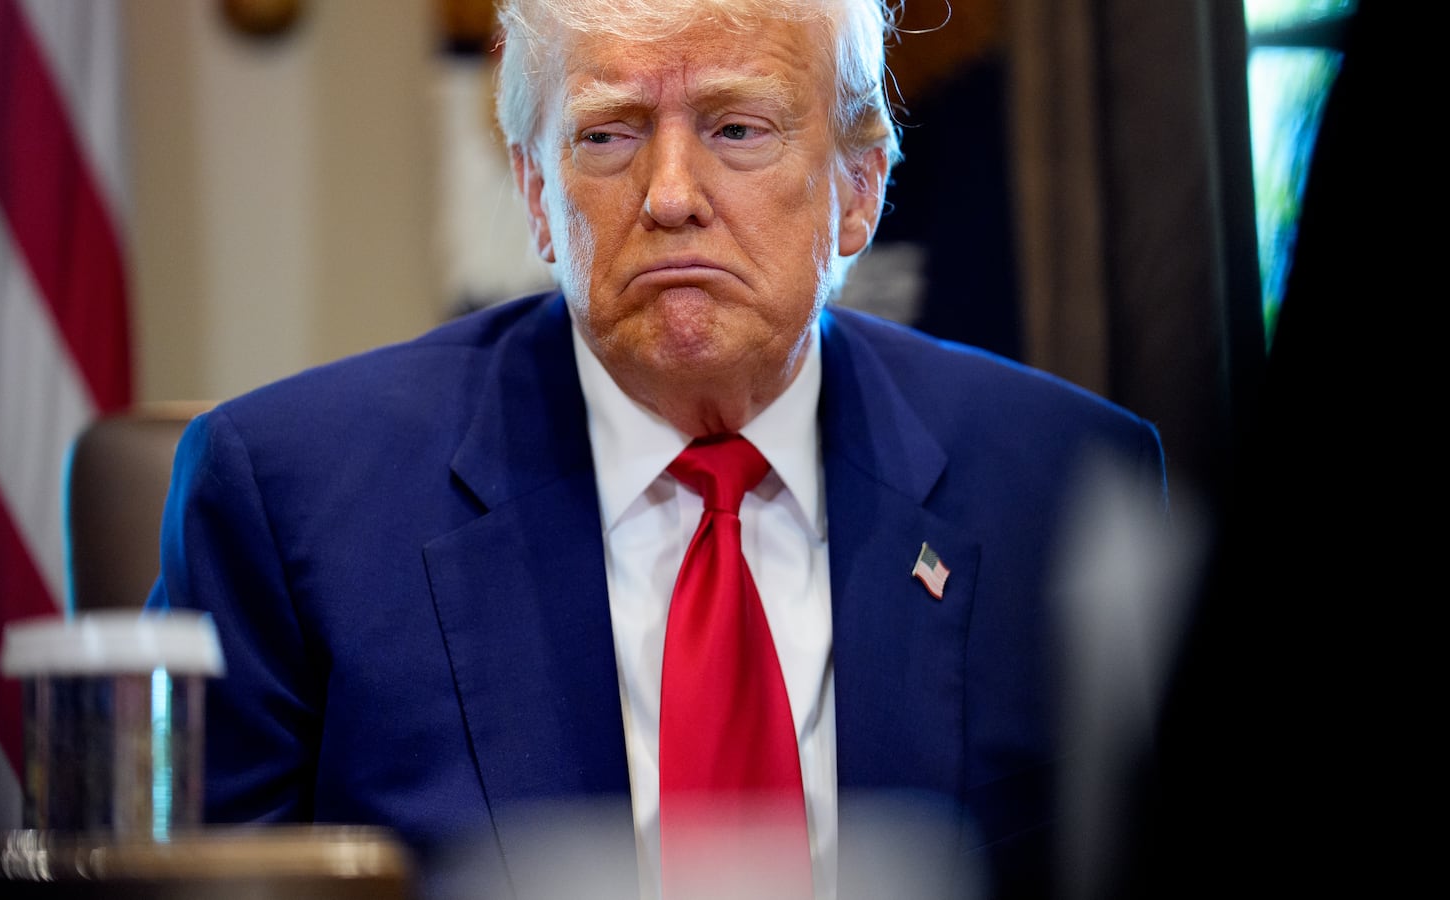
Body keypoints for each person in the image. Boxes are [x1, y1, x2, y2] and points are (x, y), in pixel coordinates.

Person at [146, 1, 1166, 898]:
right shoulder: (291, 500)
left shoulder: (1063, 487)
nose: (669, 193)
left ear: (858, 187)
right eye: (607, 136)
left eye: (735, 128)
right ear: (538, 196)